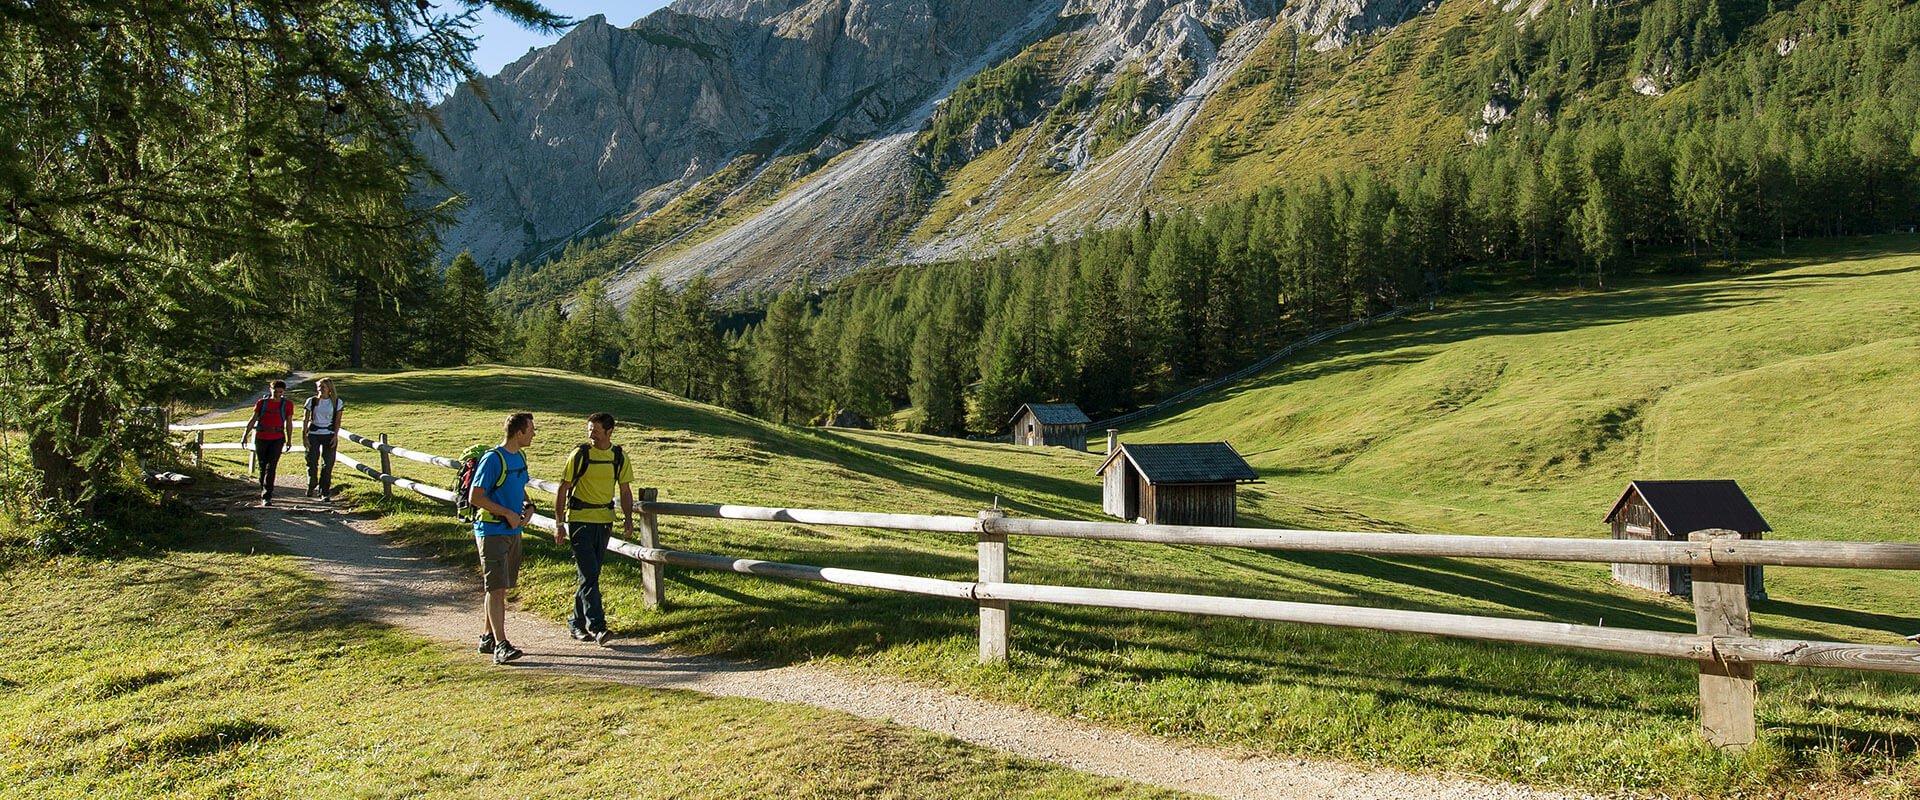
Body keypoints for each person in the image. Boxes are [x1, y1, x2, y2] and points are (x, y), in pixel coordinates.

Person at [554, 412, 634, 646]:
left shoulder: (618, 456)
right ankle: (598, 627)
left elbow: (625, 491)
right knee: (589, 574)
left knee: (590, 576)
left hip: (604, 520)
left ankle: (576, 624)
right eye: (589, 430)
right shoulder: (580, 454)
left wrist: (628, 519)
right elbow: (562, 488)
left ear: (609, 432)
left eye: (596, 431)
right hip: (580, 520)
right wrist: (560, 524)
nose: (591, 435)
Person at [467, 412, 537, 664]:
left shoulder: (520, 457)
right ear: (519, 432)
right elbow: (475, 497)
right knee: (496, 589)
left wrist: (529, 506)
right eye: (531, 430)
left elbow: (520, 488)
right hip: (492, 531)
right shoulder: (493, 459)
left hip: (513, 531)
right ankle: (501, 646)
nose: (533, 434)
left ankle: (487, 637)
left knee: (499, 588)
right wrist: (507, 512)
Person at [241, 380, 294, 504]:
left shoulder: (287, 405)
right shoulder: (262, 403)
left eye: (280, 392)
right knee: (262, 465)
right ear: (270, 390)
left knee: (272, 466)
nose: (277, 395)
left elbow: (289, 423)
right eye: (275, 392)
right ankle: (263, 489)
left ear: (284, 392)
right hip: (262, 437)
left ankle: (267, 495)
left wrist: (289, 439)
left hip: (277, 438)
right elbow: (253, 419)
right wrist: (245, 435)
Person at [303, 377, 344, 499]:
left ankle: (324, 491)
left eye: (323, 387)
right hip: (314, 434)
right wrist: (305, 436)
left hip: (329, 434)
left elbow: (338, 420)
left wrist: (335, 436)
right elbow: (305, 419)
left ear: (329, 389)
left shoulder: (336, 402)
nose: (320, 389)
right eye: (319, 387)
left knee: (328, 464)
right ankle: (311, 484)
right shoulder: (312, 401)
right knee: (312, 461)